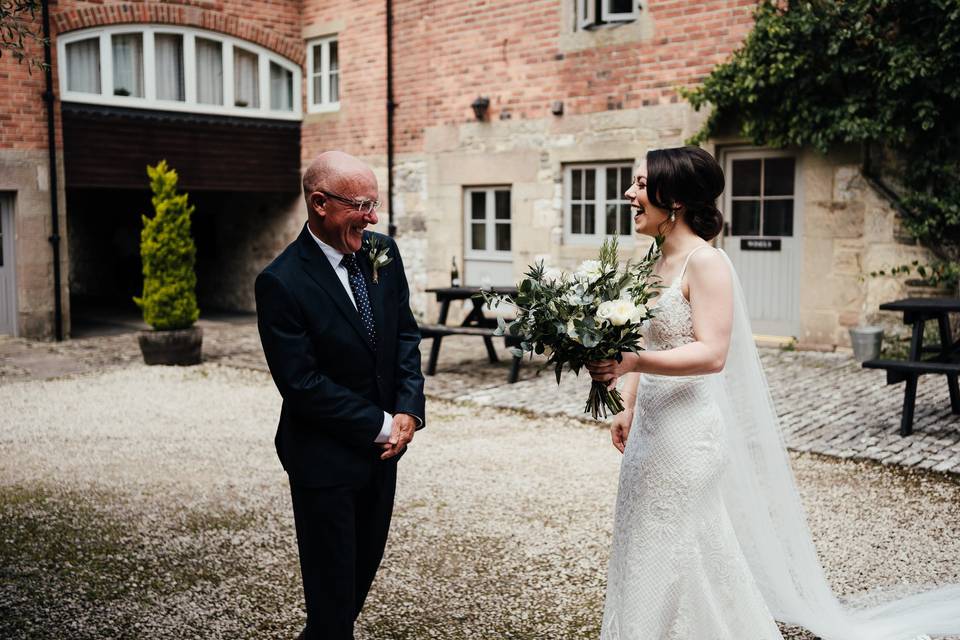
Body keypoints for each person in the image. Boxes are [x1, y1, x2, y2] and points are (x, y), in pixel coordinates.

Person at [586, 146, 958, 640]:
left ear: (671, 196)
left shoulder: (707, 263)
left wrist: (633, 362)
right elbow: (642, 338)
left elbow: (711, 354)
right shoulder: (651, 263)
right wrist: (626, 403)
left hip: (688, 434)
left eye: (638, 184)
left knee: (678, 545)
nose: (630, 194)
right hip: (651, 428)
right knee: (647, 541)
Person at [255, 150, 425, 640]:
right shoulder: (280, 282)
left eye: (375, 205)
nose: (372, 217)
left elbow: (405, 338)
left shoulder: (382, 253)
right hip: (323, 460)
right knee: (331, 595)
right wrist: (380, 424)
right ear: (320, 203)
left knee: (354, 587)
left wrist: (409, 410)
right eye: (361, 205)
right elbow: (302, 384)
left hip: (384, 455)